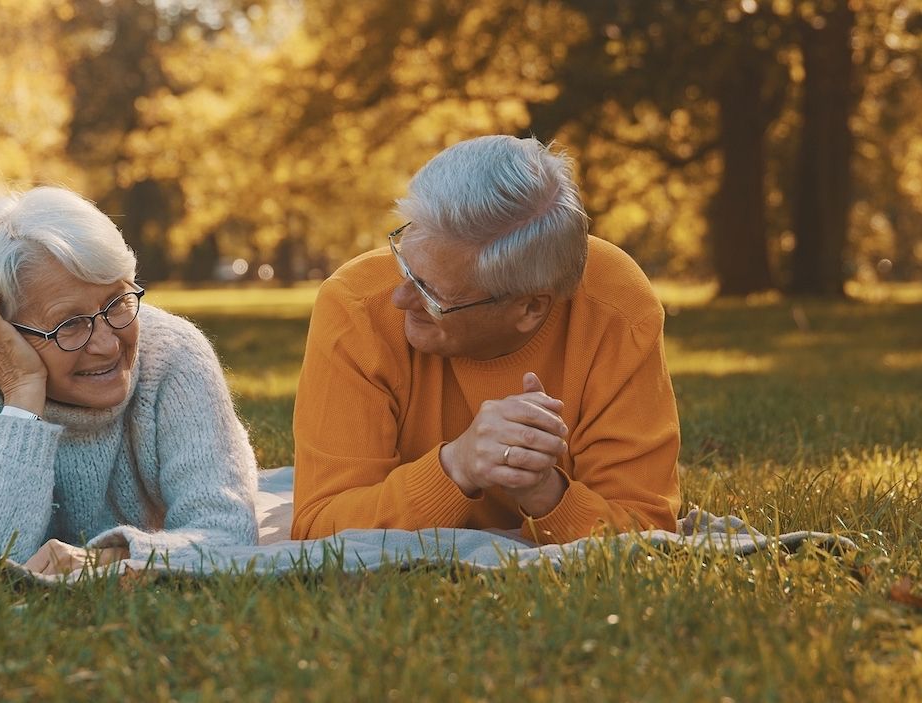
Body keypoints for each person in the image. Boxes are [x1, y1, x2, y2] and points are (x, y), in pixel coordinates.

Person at [291, 135, 680, 544]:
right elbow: (319, 528)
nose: (399, 298)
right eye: (404, 262)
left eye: (432, 294)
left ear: (530, 308)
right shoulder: (354, 306)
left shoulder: (615, 307)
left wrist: (542, 492)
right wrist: (456, 466)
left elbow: (645, 530)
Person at [0, 186, 258, 574]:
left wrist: (109, 559)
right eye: (69, 325)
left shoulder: (174, 356)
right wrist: (21, 397)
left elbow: (225, 530)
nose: (106, 344)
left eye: (117, 303)